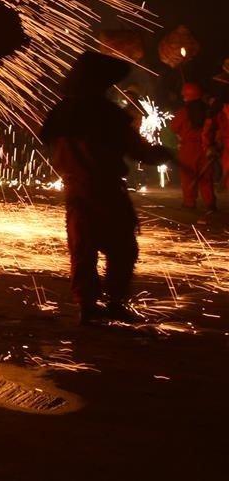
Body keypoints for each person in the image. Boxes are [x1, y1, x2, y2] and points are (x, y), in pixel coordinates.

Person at [40, 51, 171, 325]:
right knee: (122, 248)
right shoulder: (106, 113)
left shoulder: (61, 113)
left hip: (75, 192)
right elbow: (138, 151)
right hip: (106, 190)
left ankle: (87, 305)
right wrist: (160, 154)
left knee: (83, 250)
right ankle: (115, 302)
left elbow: (55, 149)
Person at [171, 82, 217, 211]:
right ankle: (210, 204)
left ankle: (189, 203)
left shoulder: (183, 112)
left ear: (186, 96)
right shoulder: (208, 110)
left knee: (187, 177)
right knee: (206, 177)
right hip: (206, 147)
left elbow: (174, 127)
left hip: (188, 148)